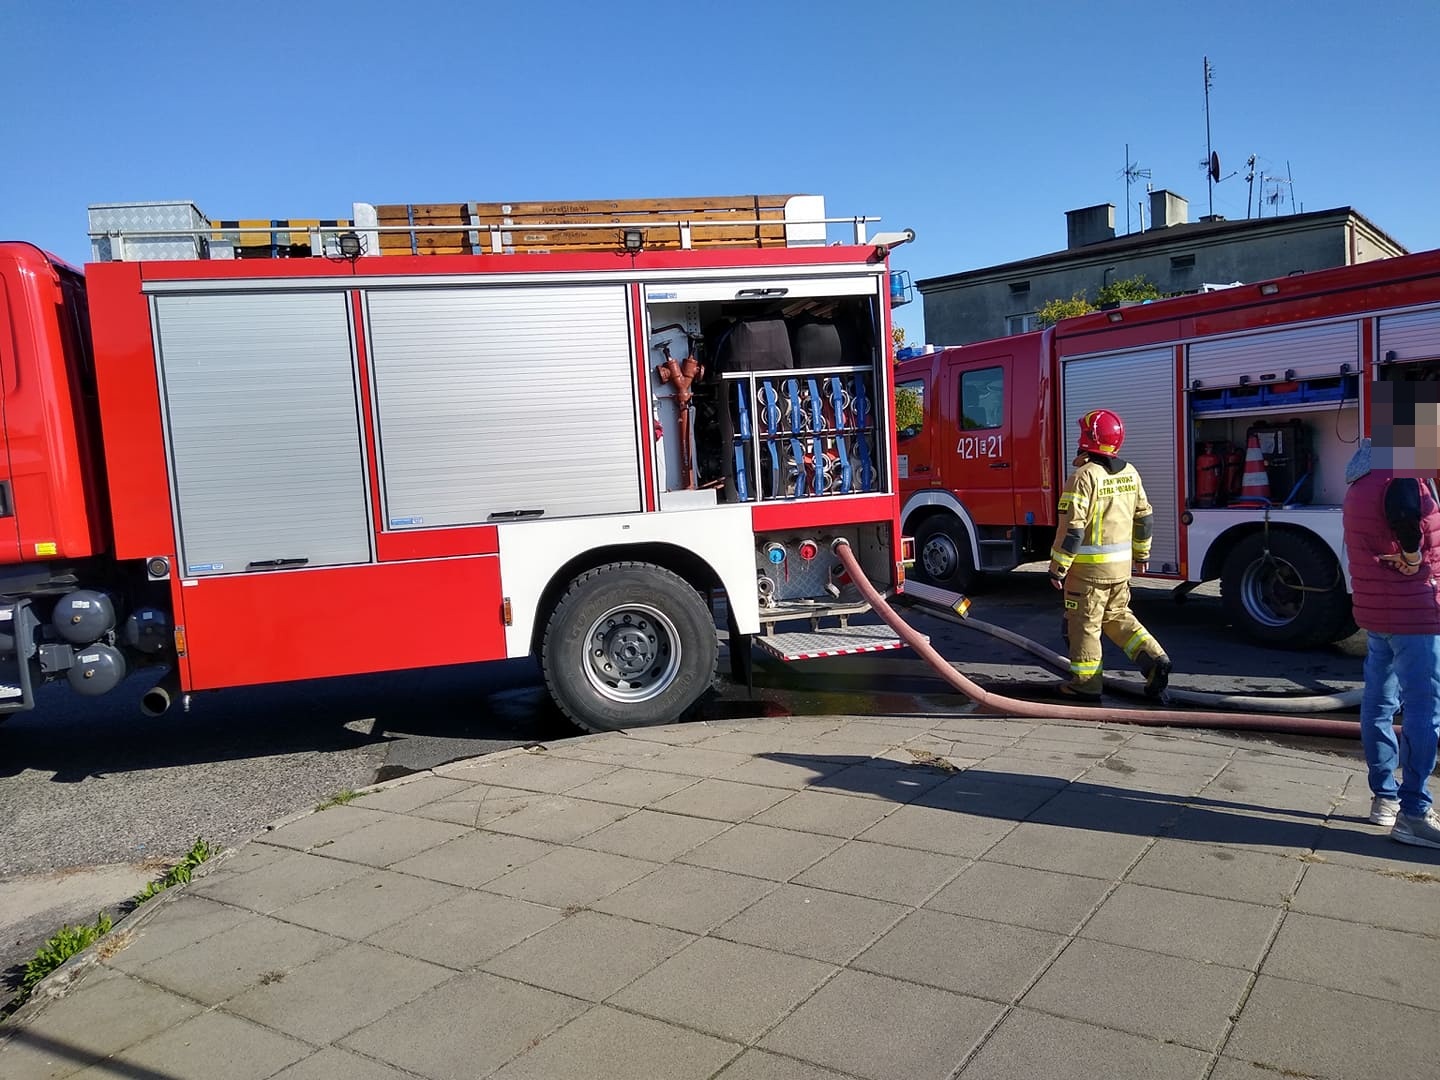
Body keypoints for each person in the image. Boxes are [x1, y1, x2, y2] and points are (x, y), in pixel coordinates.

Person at [1341, 380, 1440, 848]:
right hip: (1415, 610)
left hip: (1377, 609)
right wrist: (1416, 555)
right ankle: (1415, 811)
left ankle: (1384, 799)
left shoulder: (1363, 472)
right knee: (1424, 709)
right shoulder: (1402, 473)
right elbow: (1405, 515)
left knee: (1379, 702)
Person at [1047, 408, 1172, 701]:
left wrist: (1058, 568)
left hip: (1088, 574)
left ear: (1088, 439)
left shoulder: (1083, 476)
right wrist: (1142, 554)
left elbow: (1073, 530)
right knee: (1117, 617)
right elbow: (1145, 517)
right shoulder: (1130, 472)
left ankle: (1085, 685)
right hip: (1120, 569)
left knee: (1085, 627)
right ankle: (1155, 660)